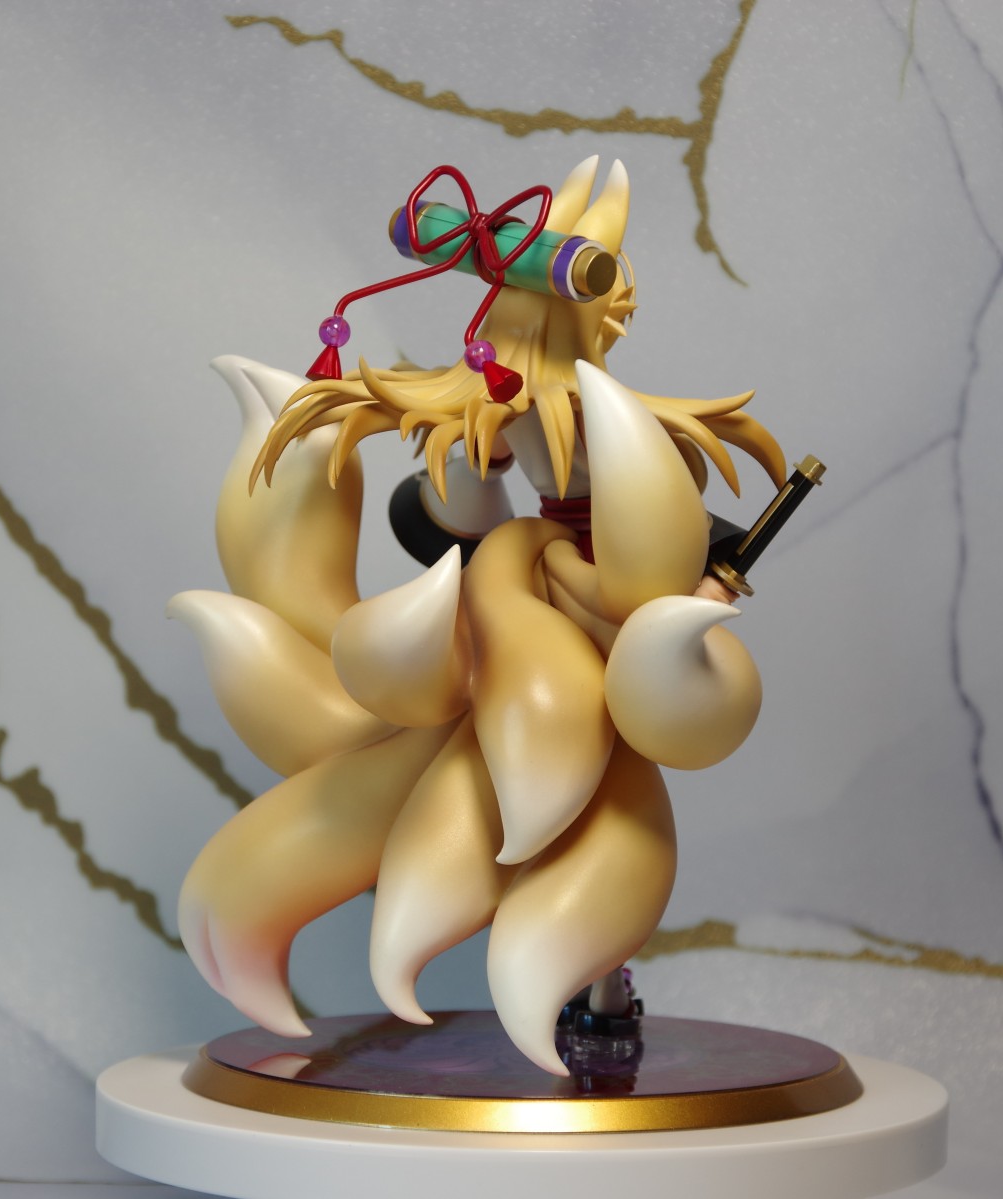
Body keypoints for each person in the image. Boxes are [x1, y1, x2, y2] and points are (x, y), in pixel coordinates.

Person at [170, 157, 787, 1075]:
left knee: (599, 800)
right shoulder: (522, 413)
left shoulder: (591, 419)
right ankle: (588, 983)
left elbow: (541, 523)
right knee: (537, 781)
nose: (621, 309)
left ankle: (594, 982)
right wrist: (480, 493)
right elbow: (459, 516)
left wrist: (688, 595)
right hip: (543, 600)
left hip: (603, 608)